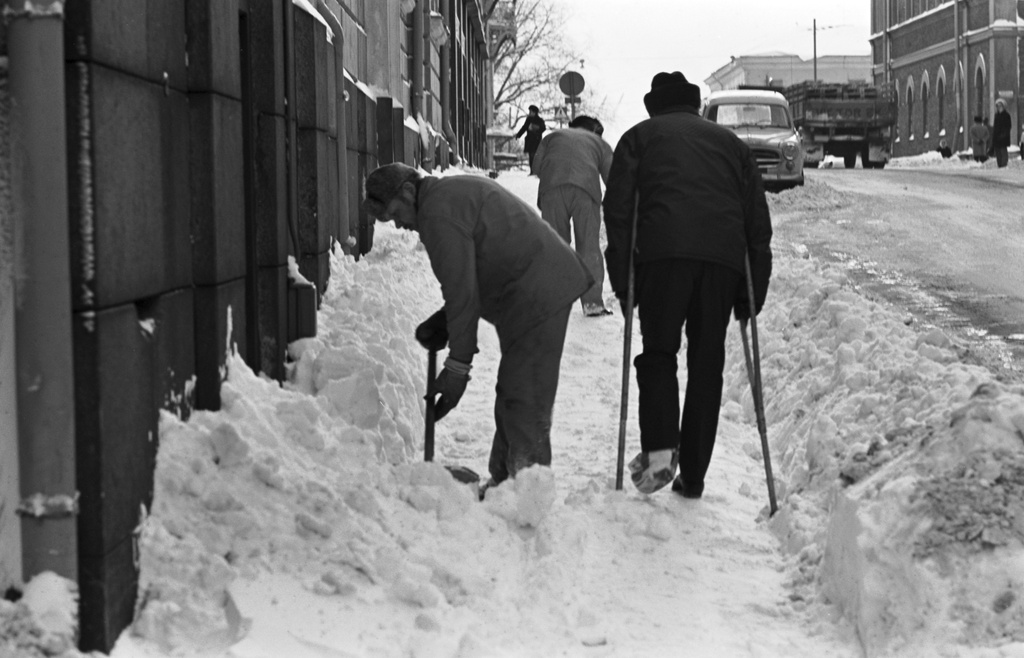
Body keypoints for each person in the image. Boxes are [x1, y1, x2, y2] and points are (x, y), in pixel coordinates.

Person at [363, 163, 593, 494]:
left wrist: (457, 369)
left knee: (525, 396)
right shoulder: (446, 197)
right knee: (513, 390)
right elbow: (470, 276)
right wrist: (447, 319)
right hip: (528, 291)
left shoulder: (437, 213)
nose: (398, 224)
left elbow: (461, 291)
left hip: (537, 291)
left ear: (408, 191)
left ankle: (528, 494)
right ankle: (504, 485)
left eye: (395, 213)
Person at [602, 71, 773, 497]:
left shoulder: (639, 138)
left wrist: (625, 282)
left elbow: (619, 213)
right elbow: (756, 221)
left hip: (662, 260)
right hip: (721, 263)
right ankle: (693, 476)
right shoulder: (731, 145)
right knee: (706, 366)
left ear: (653, 106)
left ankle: (660, 450)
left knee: (659, 353)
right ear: (695, 104)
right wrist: (754, 289)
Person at [533, 115, 615, 316]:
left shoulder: (551, 137)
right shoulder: (599, 143)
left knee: (555, 245)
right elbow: (613, 177)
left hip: (551, 190)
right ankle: (592, 303)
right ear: (595, 130)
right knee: (588, 246)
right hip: (586, 192)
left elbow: (536, 167)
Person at [514, 105, 547, 175]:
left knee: (535, 155)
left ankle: (536, 171)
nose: (529, 113)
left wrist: (536, 129)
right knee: (531, 156)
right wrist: (518, 135)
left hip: (536, 140)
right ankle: (532, 171)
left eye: (531, 111)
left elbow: (543, 128)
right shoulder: (528, 119)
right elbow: (524, 127)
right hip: (530, 140)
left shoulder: (540, 120)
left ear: (534, 112)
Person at [991, 99, 1012, 168]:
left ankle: (1004, 164)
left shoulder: (1006, 115)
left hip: (1003, 137)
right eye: (997, 106)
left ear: (1003, 106)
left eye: (1000, 106)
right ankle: (1000, 165)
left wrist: (1003, 134)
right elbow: (995, 126)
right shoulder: (996, 115)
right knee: (998, 152)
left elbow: (1008, 126)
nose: (999, 107)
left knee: (1003, 151)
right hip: (997, 136)